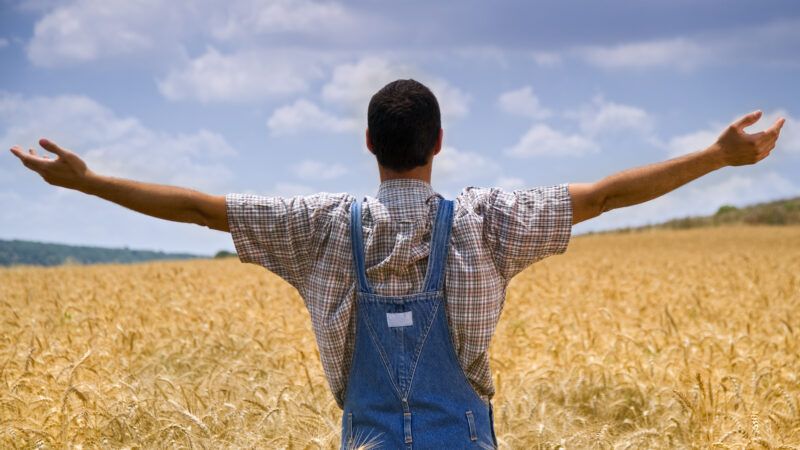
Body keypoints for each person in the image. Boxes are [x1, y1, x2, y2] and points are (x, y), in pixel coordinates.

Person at [9, 79, 784, 448]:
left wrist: (90, 181)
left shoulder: (315, 228)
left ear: (370, 147)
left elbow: (198, 209)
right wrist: (716, 156)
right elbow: (606, 196)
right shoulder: (489, 223)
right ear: (439, 146)